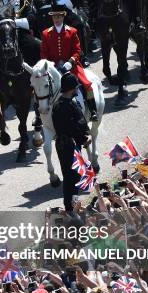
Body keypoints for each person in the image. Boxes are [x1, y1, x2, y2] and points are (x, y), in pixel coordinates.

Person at [41, 3, 98, 121]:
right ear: (52, 18)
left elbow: (77, 50)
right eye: (54, 17)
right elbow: (44, 53)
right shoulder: (46, 33)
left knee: (86, 84)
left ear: (63, 17)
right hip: (53, 69)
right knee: (40, 87)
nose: (57, 19)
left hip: (71, 67)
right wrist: (50, 65)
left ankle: (93, 111)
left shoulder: (72, 31)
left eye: (59, 17)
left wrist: (70, 62)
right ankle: (39, 116)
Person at [51, 73, 91, 214]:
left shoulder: (56, 105)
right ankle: (71, 208)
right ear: (72, 89)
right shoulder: (70, 105)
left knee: (68, 176)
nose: (76, 90)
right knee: (74, 176)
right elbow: (76, 126)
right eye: (75, 88)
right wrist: (84, 138)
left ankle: (70, 206)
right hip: (71, 145)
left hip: (61, 144)